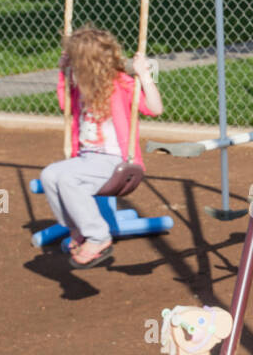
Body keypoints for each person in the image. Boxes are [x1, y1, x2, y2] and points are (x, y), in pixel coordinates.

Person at [41, 25, 162, 269]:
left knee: (67, 181)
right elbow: (64, 105)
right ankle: (77, 229)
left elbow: (155, 108)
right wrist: (62, 73)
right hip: (86, 158)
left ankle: (98, 236)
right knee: (50, 175)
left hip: (116, 160)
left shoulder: (120, 84)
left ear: (87, 65)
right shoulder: (81, 88)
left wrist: (144, 76)